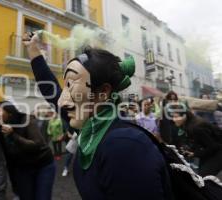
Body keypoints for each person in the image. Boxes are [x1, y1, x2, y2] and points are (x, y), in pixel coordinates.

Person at [23, 33, 172, 199]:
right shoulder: (90, 126)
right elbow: (52, 92)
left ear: (103, 92)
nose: (62, 102)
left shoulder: (124, 147)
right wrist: (33, 51)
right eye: (66, 86)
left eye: (71, 85)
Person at [0, 101, 55, 200]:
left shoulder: (26, 119)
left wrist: (13, 135)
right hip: (22, 168)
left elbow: (37, 145)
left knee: (43, 197)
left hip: (42, 165)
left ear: (9, 112)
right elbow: (8, 160)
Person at [172, 108, 222, 177]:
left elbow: (213, 146)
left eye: (176, 117)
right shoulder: (188, 125)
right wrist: (190, 150)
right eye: (173, 117)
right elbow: (199, 142)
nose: (174, 119)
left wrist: (195, 153)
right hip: (210, 151)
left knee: (203, 178)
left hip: (218, 152)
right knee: (201, 178)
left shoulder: (196, 128)